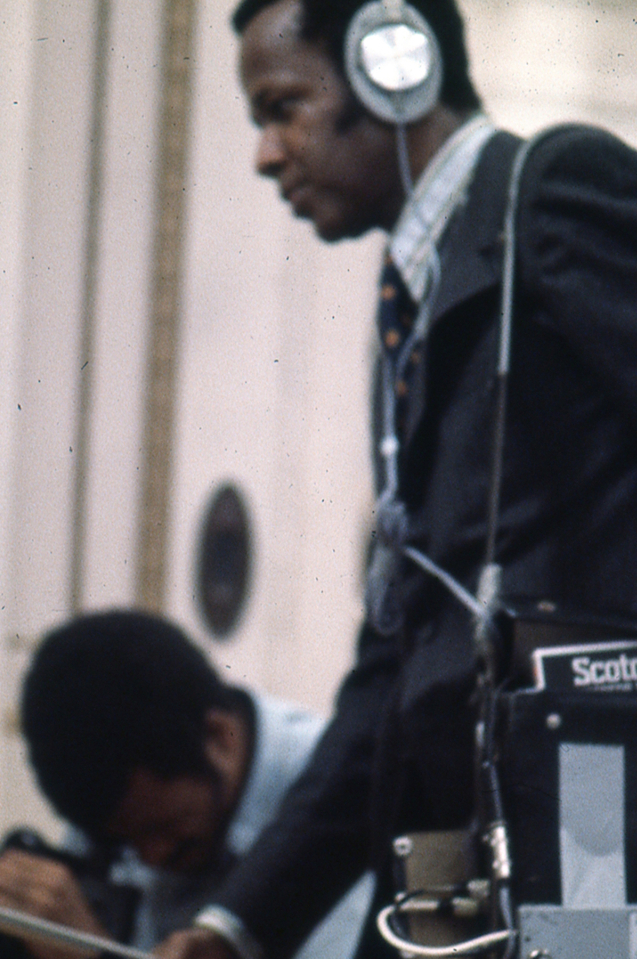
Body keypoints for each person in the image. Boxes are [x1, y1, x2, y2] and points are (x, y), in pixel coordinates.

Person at [150, 1, 637, 959]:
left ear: (395, 70)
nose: (265, 154)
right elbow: (396, 672)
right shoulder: (411, 308)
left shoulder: (553, 189)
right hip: (452, 846)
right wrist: (234, 925)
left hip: (587, 798)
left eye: (281, 107)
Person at [0, 610, 372, 959]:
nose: (149, 857)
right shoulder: (117, 797)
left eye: (162, 828)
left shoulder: (340, 804)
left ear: (218, 736)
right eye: (123, 844)